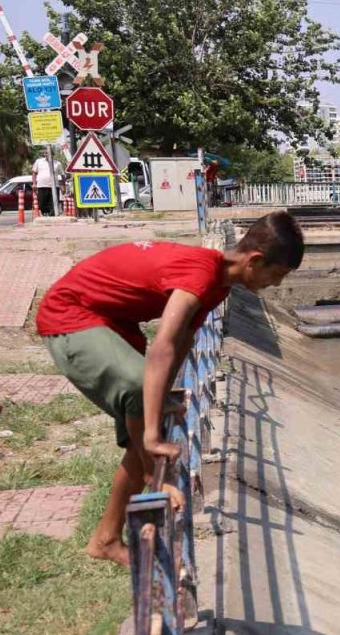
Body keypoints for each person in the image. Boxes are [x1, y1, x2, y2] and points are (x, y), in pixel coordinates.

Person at [37, 211, 305, 566]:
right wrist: (150, 437)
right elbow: (162, 344)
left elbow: (183, 342)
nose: (278, 284)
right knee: (138, 393)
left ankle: (105, 539)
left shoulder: (218, 284)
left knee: (149, 418)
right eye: (278, 274)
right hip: (72, 316)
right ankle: (153, 478)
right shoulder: (200, 274)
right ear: (255, 261)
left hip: (114, 322)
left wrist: (162, 400)